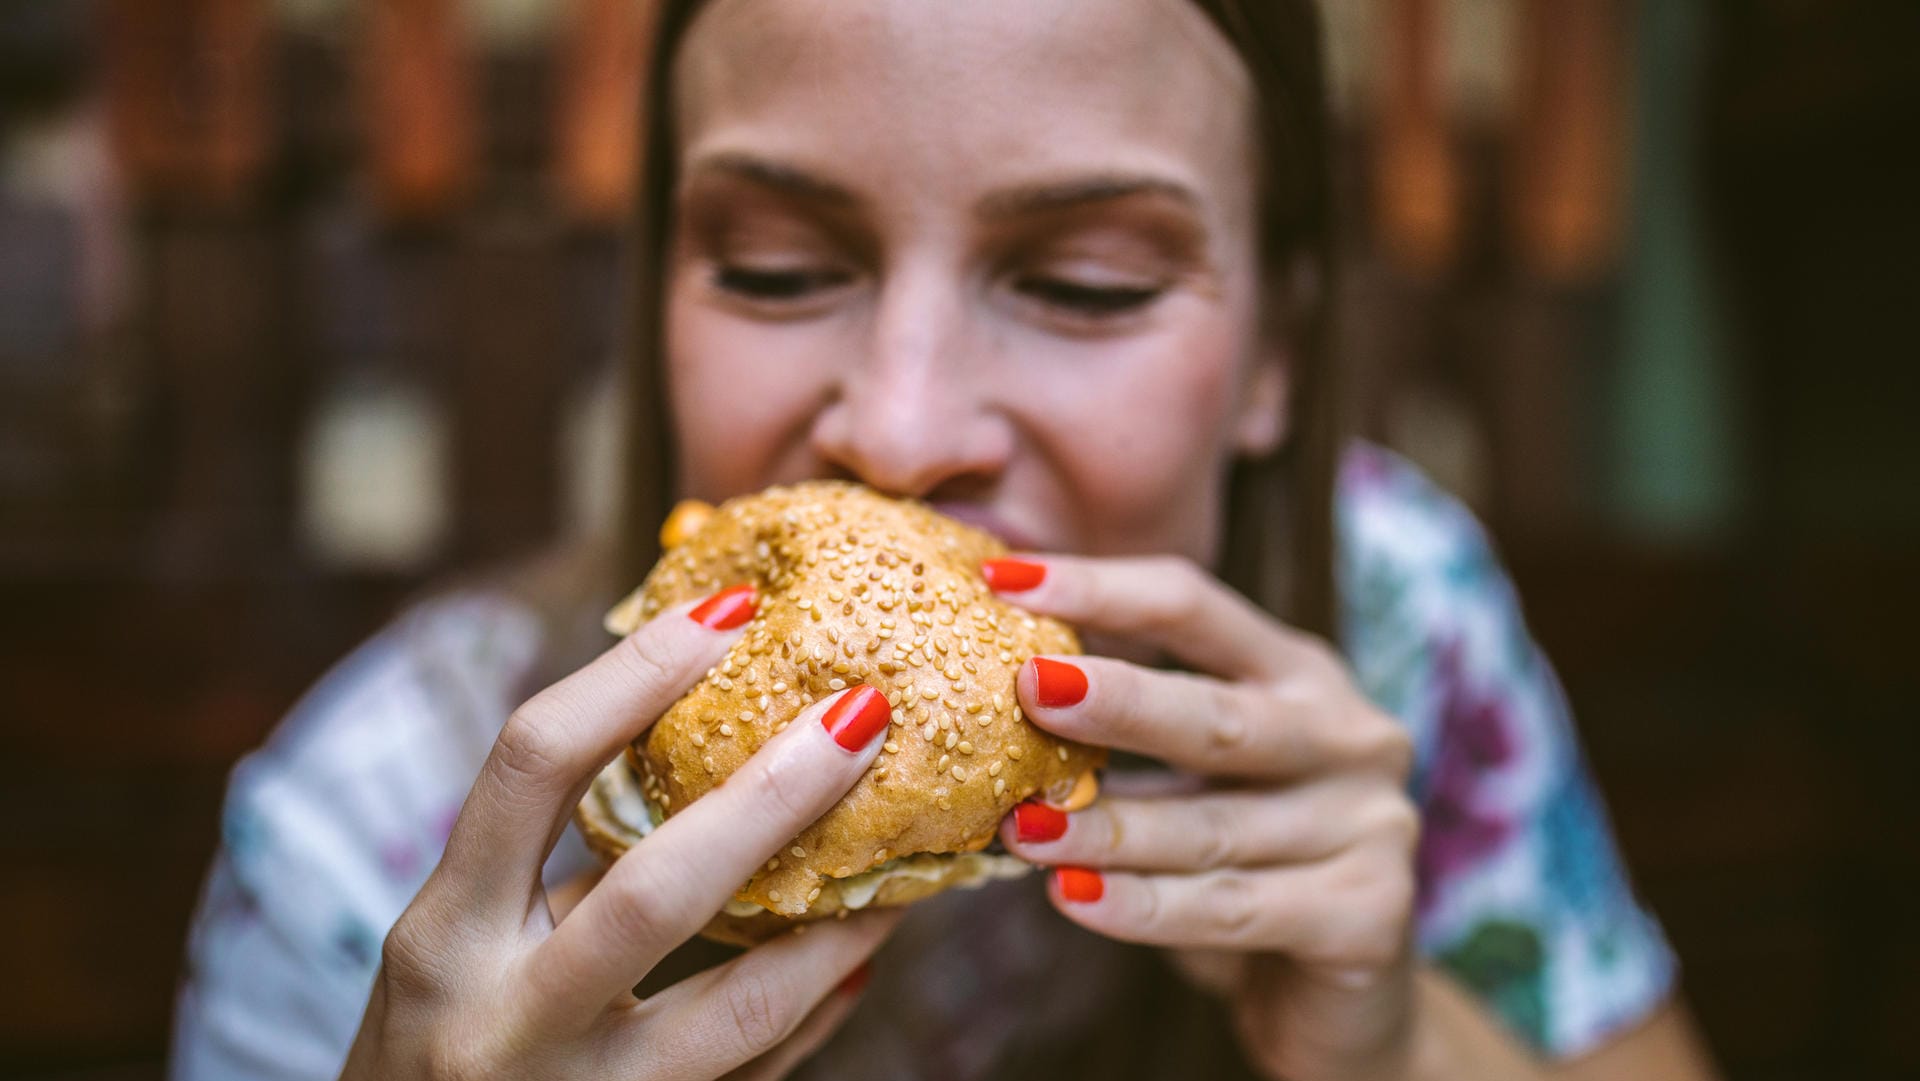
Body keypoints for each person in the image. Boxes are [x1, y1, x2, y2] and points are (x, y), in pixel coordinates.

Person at [170, 1, 1722, 1078]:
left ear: (1278, 359)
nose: (902, 429)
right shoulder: (365, 838)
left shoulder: (1394, 619)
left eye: (1092, 282)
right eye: (774, 267)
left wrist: (1398, 1054)